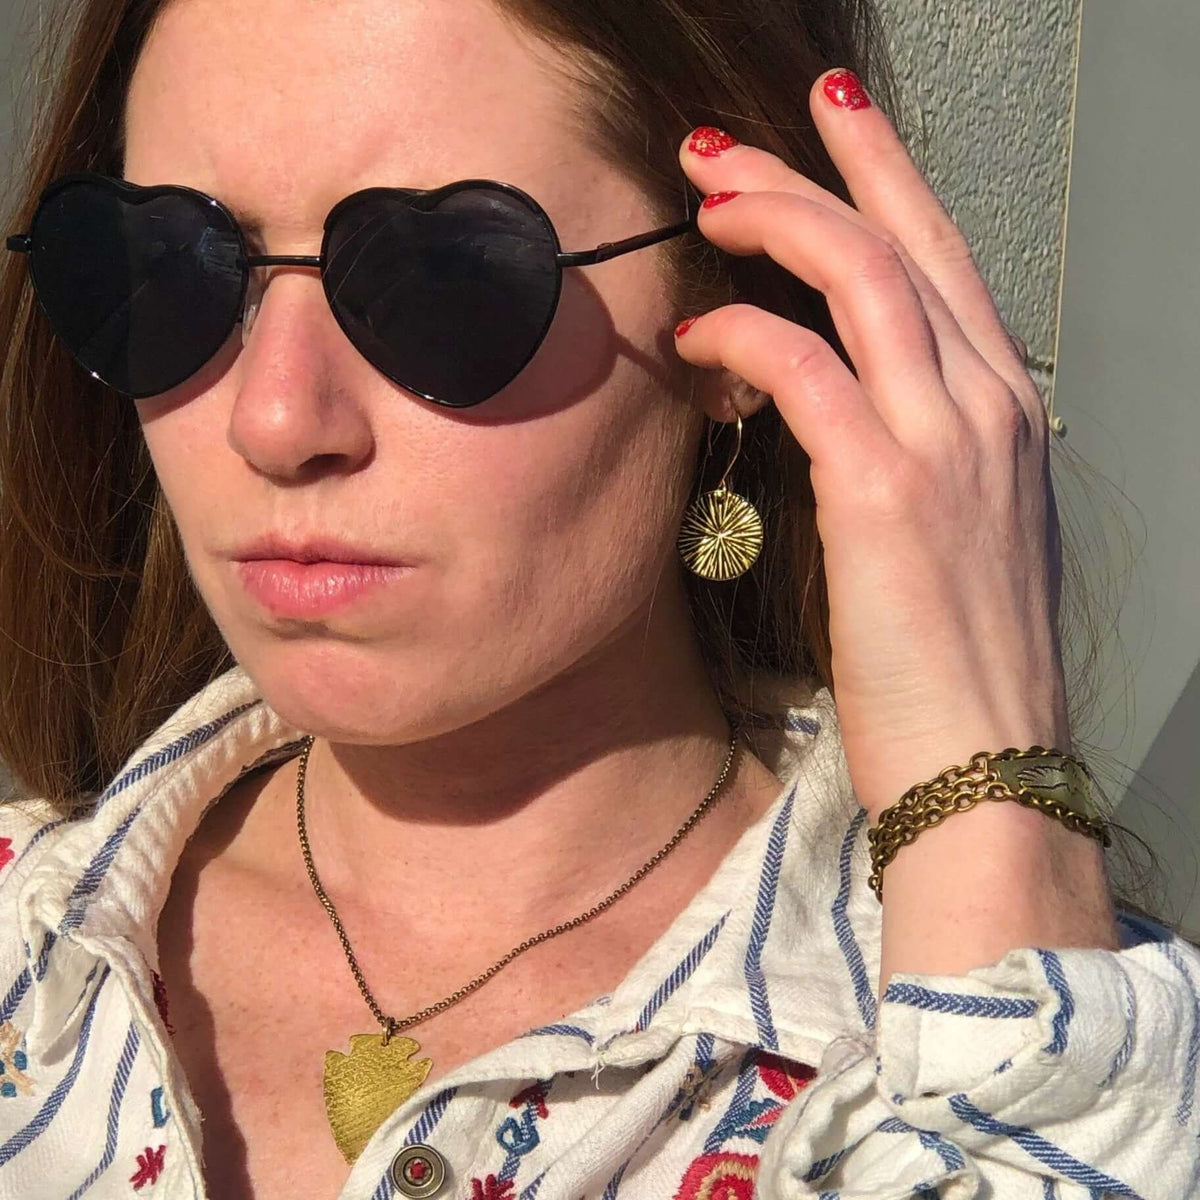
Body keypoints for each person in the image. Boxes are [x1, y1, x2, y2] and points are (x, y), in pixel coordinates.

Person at [0, 0, 1195, 1197]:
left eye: (441, 277)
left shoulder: (1034, 1047)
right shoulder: (27, 945)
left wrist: (1000, 810)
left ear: (739, 317)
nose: (273, 418)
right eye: (165, 265)